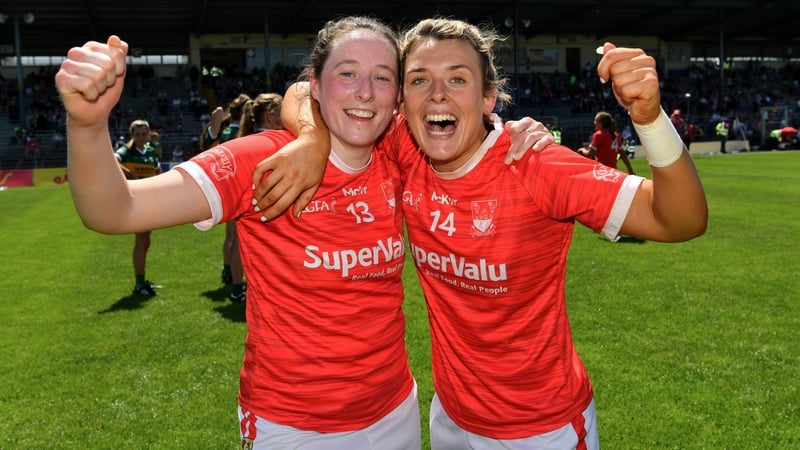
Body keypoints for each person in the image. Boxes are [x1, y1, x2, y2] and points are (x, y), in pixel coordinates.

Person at [255, 18, 708, 449]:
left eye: (457, 79)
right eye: (417, 80)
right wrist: (313, 137)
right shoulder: (402, 145)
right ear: (401, 101)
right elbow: (301, 90)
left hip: (541, 428)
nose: (436, 95)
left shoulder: (534, 165)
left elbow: (680, 219)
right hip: (451, 418)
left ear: (489, 97)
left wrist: (648, 118)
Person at [55, 18, 425, 448]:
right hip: (292, 425)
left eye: (382, 78)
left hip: (395, 411)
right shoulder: (261, 160)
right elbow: (115, 210)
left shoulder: (397, 150)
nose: (364, 91)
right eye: (346, 73)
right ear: (317, 85)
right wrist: (87, 125)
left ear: (396, 96)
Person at [199, 94, 250, 299]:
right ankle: (238, 287)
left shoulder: (224, 130)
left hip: (225, 189)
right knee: (238, 240)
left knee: (230, 237)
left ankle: (227, 271)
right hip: (240, 187)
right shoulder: (242, 132)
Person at [115, 119, 162, 296]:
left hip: (148, 199)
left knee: (145, 241)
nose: (141, 137)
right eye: (137, 134)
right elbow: (113, 160)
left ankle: (141, 281)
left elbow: (157, 171)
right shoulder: (127, 150)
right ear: (132, 135)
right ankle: (139, 284)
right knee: (142, 242)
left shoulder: (151, 150)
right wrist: (131, 175)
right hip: (136, 200)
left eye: (144, 134)